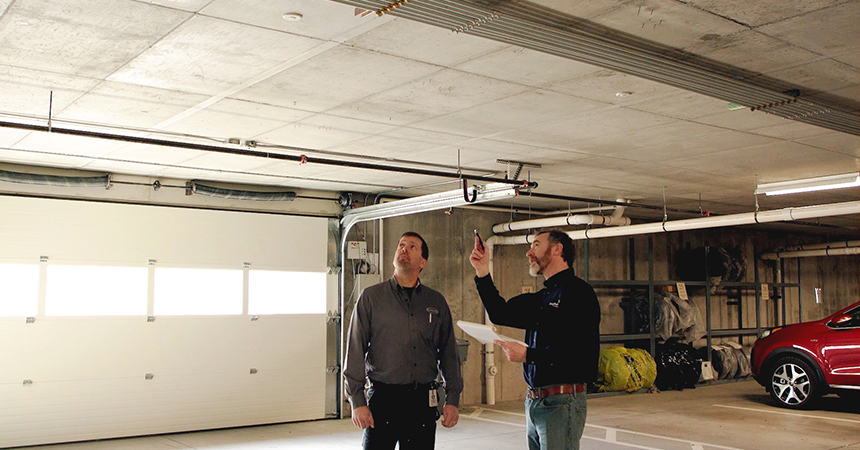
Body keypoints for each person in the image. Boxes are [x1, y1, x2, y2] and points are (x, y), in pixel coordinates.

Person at [469, 229, 600, 450]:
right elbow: (501, 313)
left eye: (536, 245)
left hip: (562, 403)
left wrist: (528, 355)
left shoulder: (579, 294)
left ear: (557, 249)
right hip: (536, 402)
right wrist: (483, 271)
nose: (529, 253)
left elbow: (582, 355)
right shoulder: (543, 297)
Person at [344, 231, 463, 450]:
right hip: (383, 400)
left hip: (422, 402)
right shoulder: (371, 298)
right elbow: (354, 350)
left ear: (423, 262)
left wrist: (452, 399)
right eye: (401, 245)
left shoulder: (435, 302)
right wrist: (357, 401)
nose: (404, 249)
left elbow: (448, 353)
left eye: (412, 247)